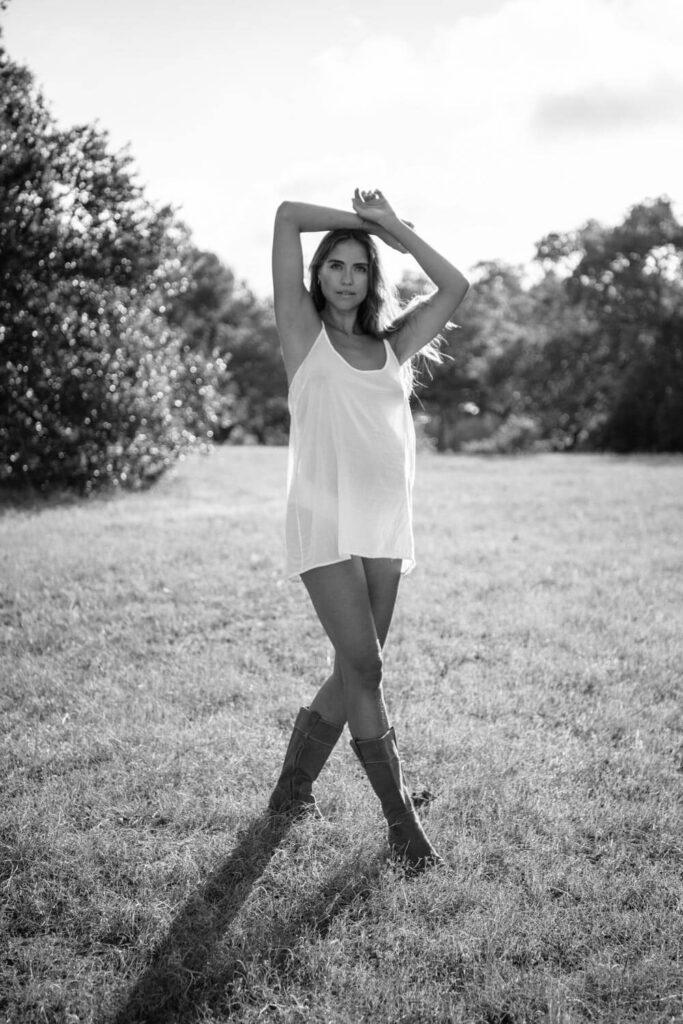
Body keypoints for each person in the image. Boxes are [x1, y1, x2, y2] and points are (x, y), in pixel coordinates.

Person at [268, 189, 469, 871]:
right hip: (324, 521)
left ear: (370, 278)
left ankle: (290, 792)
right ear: (318, 276)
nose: (346, 276)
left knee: (353, 668)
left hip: (385, 523)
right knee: (369, 666)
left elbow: (455, 284)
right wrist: (362, 220)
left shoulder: (391, 346)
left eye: (359, 266)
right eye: (335, 265)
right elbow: (288, 216)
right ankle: (401, 822)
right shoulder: (303, 332)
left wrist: (392, 227)